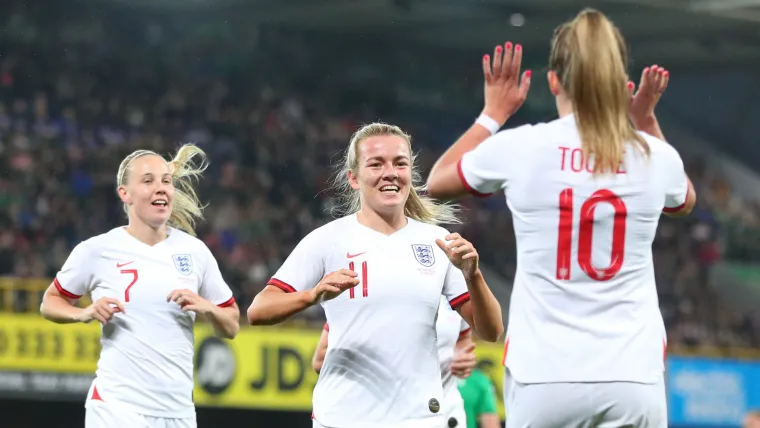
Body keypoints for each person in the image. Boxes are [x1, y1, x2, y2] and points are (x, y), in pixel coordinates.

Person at [426, 8, 696, 428]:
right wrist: (644, 120)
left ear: (553, 80)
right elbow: (686, 201)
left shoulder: (525, 146)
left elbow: (438, 181)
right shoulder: (655, 156)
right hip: (633, 374)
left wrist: (492, 114)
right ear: (614, 82)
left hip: (544, 374)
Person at [247, 122, 504, 428]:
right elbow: (257, 311)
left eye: (400, 163)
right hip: (343, 419)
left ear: (411, 172)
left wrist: (474, 276)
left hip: (419, 419)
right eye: (376, 164)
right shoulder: (327, 240)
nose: (390, 173)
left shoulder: (437, 242)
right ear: (353, 178)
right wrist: (311, 296)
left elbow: (491, 331)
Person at [40, 144, 240, 428]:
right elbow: (50, 302)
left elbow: (231, 325)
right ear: (125, 193)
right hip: (117, 406)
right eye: (148, 181)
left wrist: (207, 308)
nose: (160, 188)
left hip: (178, 411)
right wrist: (83, 313)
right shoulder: (97, 250)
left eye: (166, 181)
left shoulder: (195, 252)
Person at [312, 296, 477, 428]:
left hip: (444, 408)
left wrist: (464, 358)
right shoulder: (379, 291)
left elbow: (464, 340)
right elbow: (320, 360)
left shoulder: (454, 289)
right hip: (386, 411)